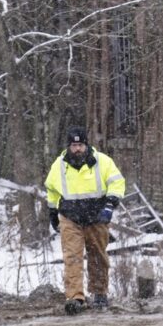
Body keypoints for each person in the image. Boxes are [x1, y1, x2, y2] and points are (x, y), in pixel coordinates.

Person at [44, 126, 125, 315]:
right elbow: (51, 189)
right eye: (74, 145)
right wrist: (52, 212)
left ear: (86, 145)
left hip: (96, 216)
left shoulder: (102, 162)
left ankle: (99, 293)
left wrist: (109, 205)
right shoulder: (59, 165)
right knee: (72, 256)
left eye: (80, 145)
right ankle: (75, 298)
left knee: (98, 255)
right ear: (69, 146)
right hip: (70, 217)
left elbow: (117, 182)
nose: (77, 149)